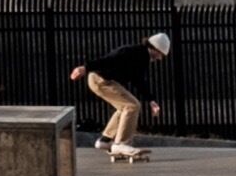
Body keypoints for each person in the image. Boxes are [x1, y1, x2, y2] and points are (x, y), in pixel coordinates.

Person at [69, 29, 171, 160]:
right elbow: (109, 60)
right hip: (99, 79)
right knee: (132, 106)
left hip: (106, 80)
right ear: (155, 48)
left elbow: (138, 80)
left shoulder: (143, 59)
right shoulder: (132, 52)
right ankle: (121, 143)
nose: (160, 58)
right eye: (160, 54)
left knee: (125, 107)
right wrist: (85, 67)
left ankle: (105, 140)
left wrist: (151, 100)